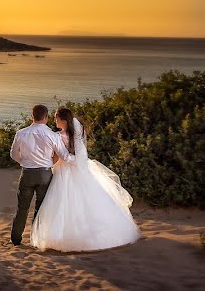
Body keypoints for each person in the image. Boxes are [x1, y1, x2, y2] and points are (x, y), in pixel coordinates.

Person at [31, 107, 141, 251]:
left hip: (64, 171)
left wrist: (47, 163)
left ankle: (65, 239)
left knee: (64, 202)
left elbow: (60, 157)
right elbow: (79, 154)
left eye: (57, 118)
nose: (55, 120)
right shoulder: (76, 133)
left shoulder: (58, 136)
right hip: (78, 169)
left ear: (63, 120)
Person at [9, 104, 74, 246]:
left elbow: (13, 154)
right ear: (46, 117)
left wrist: (24, 161)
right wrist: (81, 161)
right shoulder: (52, 135)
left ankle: (15, 240)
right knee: (41, 208)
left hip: (27, 174)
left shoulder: (20, 133)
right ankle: (35, 239)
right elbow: (65, 156)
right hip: (45, 174)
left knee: (22, 208)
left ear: (32, 116)